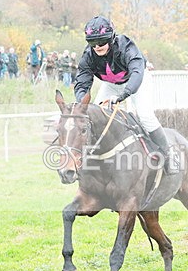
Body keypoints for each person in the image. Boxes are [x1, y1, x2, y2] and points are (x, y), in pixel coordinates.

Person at [74, 15, 178, 174]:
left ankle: (169, 156)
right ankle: (94, 158)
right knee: (92, 115)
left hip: (138, 81)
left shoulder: (126, 46)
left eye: (101, 42)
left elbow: (137, 73)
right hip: (111, 85)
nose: (97, 47)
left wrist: (123, 95)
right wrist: (81, 102)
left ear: (111, 38)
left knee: (145, 116)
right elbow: (82, 81)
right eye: (93, 43)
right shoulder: (88, 56)